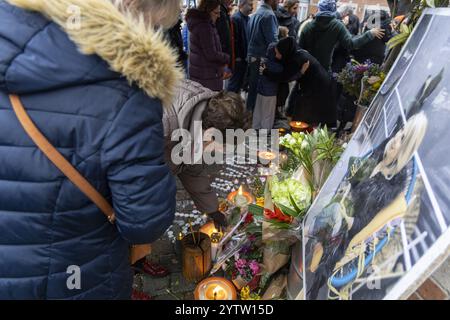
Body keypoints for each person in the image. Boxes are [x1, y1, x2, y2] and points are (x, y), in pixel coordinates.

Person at [0, 0, 182, 299]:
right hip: (78, 274)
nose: (156, 36)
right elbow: (143, 222)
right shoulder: (127, 89)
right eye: (155, 26)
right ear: (131, 7)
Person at [164, 79, 250, 227]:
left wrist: (212, 210)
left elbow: (191, 167)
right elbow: (131, 175)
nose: (222, 152)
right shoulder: (165, 125)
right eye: (223, 146)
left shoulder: (202, 113)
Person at [299, 0, 385, 71]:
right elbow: (351, 44)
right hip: (323, 70)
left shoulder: (308, 26)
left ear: (318, 9)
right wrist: (370, 33)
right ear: (333, 9)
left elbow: (300, 49)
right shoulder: (337, 25)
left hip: (307, 68)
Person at [253, 37, 298, 130]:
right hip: (270, 93)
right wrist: (300, 72)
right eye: (276, 53)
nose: (277, 55)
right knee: (268, 115)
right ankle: (265, 133)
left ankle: (255, 127)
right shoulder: (278, 67)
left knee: (258, 112)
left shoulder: (268, 55)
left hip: (260, 89)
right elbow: (285, 78)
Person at [186, 0, 230, 91]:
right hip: (207, 76)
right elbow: (211, 54)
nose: (219, 16)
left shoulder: (200, 24)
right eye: (216, 13)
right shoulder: (204, 27)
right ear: (208, 11)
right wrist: (226, 57)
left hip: (202, 74)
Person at [287, 49, 338, 127]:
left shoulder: (300, 57)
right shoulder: (302, 54)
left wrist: (301, 72)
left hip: (316, 87)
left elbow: (288, 78)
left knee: (308, 113)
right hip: (320, 83)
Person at [247, 0, 279, 111]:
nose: (279, 2)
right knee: (259, 91)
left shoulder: (256, 13)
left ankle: (249, 114)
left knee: (252, 88)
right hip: (261, 58)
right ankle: (254, 118)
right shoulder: (269, 15)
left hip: (252, 56)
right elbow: (273, 42)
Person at [227, 0, 253, 93]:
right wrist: (237, 56)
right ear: (242, 5)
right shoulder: (235, 18)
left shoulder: (248, 19)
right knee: (234, 84)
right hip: (238, 58)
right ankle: (229, 104)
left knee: (239, 83)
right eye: (250, 5)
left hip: (244, 57)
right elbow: (234, 40)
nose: (252, 7)